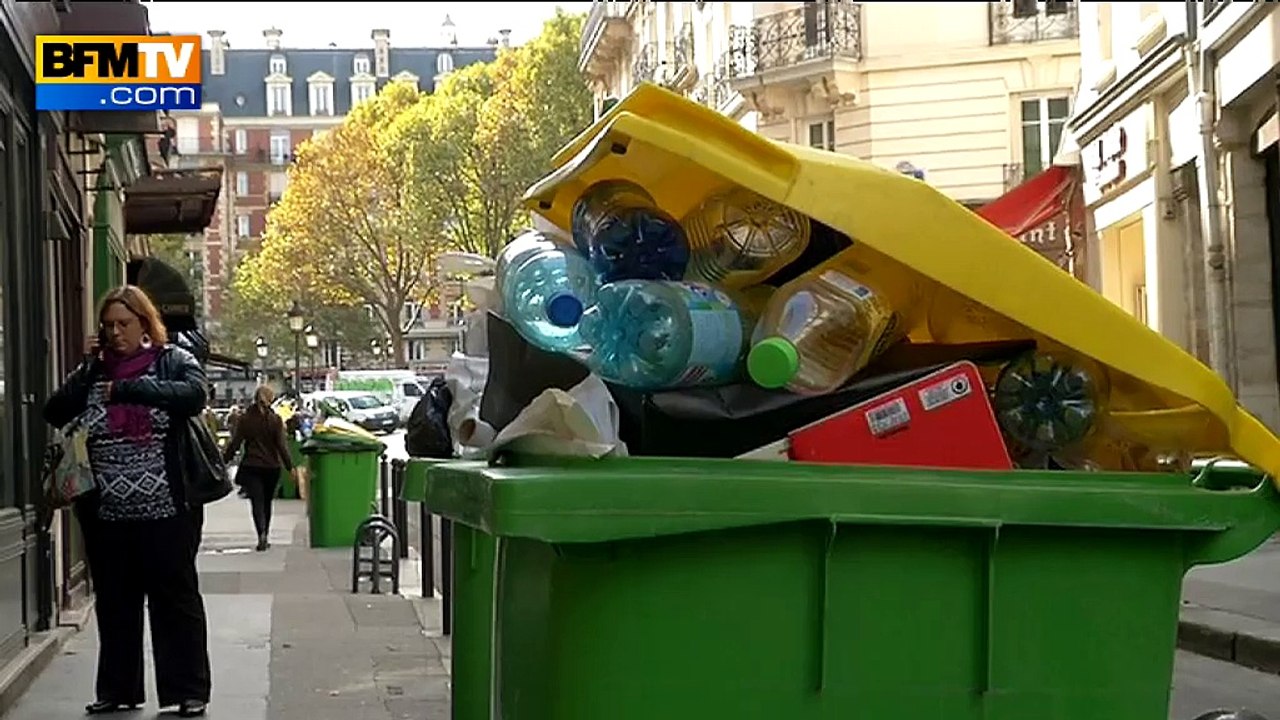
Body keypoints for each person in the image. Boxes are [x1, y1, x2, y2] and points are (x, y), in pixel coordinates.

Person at [43, 285, 211, 717]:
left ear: (144, 324)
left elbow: (194, 397)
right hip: (107, 513)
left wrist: (134, 388)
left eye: (124, 323)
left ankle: (187, 691)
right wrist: (90, 369)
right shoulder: (94, 371)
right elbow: (55, 410)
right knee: (116, 604)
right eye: (108, 325)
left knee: (175, 601)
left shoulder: (172, 361)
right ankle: (118, 690)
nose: (116, 333)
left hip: (168, 508)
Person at [222, 385, 299, 551]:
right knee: (267, 502)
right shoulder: (275, 420)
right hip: (271, 467)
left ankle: (261, 534)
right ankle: (266, 533)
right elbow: (281, 446)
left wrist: (223, 461)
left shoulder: (245, 419)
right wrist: (290, 467)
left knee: (257, 501)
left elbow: (235, 444)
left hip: (252, 465)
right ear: (270, 399)